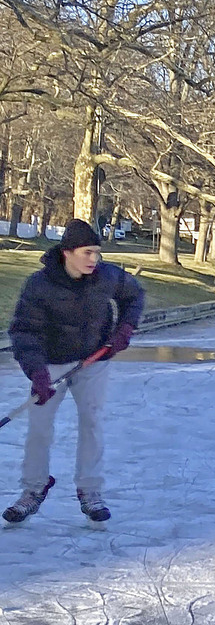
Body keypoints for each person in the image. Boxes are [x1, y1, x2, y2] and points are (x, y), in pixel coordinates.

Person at [5, 219, 144, 527]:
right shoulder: (39, 285)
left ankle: (90, 490)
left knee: (91, 422)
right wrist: (37, 373)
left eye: (97, 252)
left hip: (94, 359)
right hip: (50, 363)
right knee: (39, 428)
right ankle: (33, 489)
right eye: (87, 252)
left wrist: (125, 328)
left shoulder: (107, 277)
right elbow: (25, 332)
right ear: (67, 252)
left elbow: (134, 295)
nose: (94, 259)